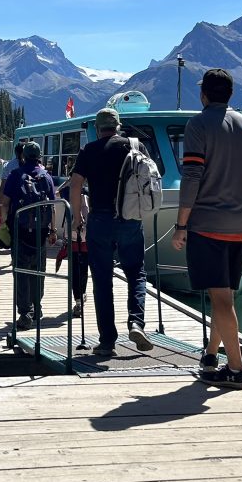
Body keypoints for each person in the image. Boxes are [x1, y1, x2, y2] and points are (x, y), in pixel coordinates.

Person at [171, 68, 242, 390]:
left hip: (207, 225)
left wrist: (181, 224)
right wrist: (238, 187)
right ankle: (211, 355)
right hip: (239, 226)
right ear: (230, 94)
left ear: (204, 94)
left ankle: (237, 370)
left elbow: (191, 179)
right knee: (223, 296)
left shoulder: (198, 125)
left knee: (221, 300)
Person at [69, 108, 153, 356]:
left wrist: (77, 217)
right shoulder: (135, 146)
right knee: (136, 272)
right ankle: (136, 322)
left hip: (100, 221)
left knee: (103, 280)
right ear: (118, 126)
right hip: (129, 219)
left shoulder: (90, 150)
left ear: (97, 128)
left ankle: (107, 341)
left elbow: (75, 184)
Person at [1, 141, 56, 331]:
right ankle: (37, 308)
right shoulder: (46, 177)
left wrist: (3, 223)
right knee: (38, 271)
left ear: (23, 156)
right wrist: (53, 231)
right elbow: (52, 205)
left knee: (21, 272)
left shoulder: (15, 175)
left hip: (20, 231)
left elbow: (5, 203)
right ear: (39, 156)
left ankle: (25, 313)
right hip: (41, 233)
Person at [55, 180, 89, 318]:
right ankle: (81, 297)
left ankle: (78, 301)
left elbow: (55, 193)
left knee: (75, 272)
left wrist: (69, 181)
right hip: (86, 240)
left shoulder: (69, 192)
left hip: (74, 239)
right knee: (83, 271)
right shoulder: (88, 192)